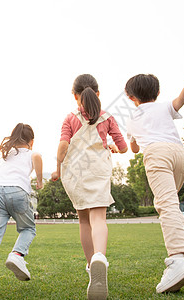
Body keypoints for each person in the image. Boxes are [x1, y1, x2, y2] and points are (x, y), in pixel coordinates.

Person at [125, 61, 184, 293]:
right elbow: (182, 99)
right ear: (158, 92)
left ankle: (177, 260)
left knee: (165, 204)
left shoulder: (132, 117)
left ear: (131, 97)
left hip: (157, 154)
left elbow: (133, 149)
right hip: (181, 155)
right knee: (170, 203)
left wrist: (129, 142)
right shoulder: (164, 106)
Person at [51, 74, 128, 300]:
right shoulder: (108, 118)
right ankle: (99, 258)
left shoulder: (70, 118)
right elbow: (123, 147)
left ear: (75, 96)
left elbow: (62, 147)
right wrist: (113, 148)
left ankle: (90, 265)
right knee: (98, 219)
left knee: (83, 220)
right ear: (98, 93)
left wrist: (57, 169)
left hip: (75, 173)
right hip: (99, 171)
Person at [0, 123, 43, 297]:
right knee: (28, 228)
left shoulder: (5, 156)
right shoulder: (30, 153)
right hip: (17, 191)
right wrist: (40, 181)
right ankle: (17, 254)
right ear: (32, 141)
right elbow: (37, 156)